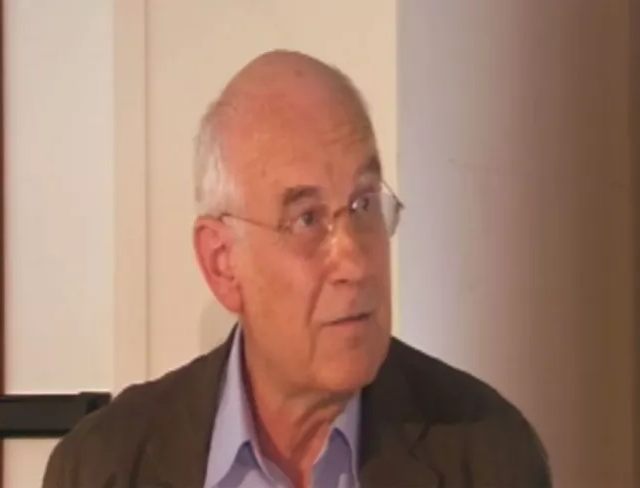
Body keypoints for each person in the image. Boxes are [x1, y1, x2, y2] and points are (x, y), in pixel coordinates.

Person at [43, 50, 551, 488]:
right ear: (222, 264)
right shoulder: (102, 466)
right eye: (307, 219)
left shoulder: (488, 456)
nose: (354, 262)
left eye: (364, 204)